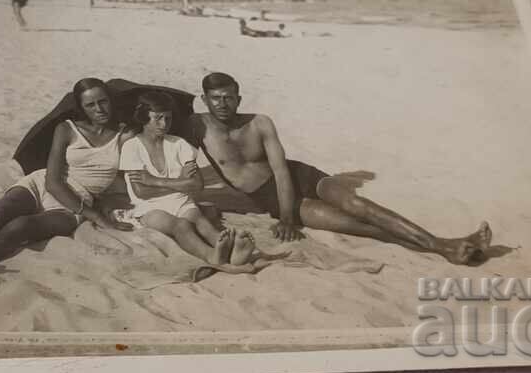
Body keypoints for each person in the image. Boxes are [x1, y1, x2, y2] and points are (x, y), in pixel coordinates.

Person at [189, 72, 493, 265]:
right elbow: (153, 117)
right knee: (359, 226)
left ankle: (444, 246)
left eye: (229, 97)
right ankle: (448, 247)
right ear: (205, 99)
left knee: (358, 204)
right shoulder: (196, 125)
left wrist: (285, 219)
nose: (223, 103)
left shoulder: (260, 122)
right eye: (215, 98)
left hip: (300, 176)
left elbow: (282, 172)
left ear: (239, 98)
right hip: (270, 197)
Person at [0, 78, 133, 272]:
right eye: (90, 105)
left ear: (110, 101)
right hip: (43, 183)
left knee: (21, 226)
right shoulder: (67, 129)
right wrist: (97, 218)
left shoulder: (123, 135)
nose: (99, 109)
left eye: (103, 101)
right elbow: (52, 181)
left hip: (75, 204)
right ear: (82, 108)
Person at [119, 92, 260, 272]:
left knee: (201, 222)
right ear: (144, 118)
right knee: (181, 225)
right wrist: (181, 182)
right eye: (158, 118)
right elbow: (142, 192)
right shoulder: (132, 147)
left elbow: (197, 185)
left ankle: (234, 253)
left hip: (181, 202)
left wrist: (155, 181)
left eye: (168, 119)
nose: (164, 124)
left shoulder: (179, 144)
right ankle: (213, 256)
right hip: (149, 207)